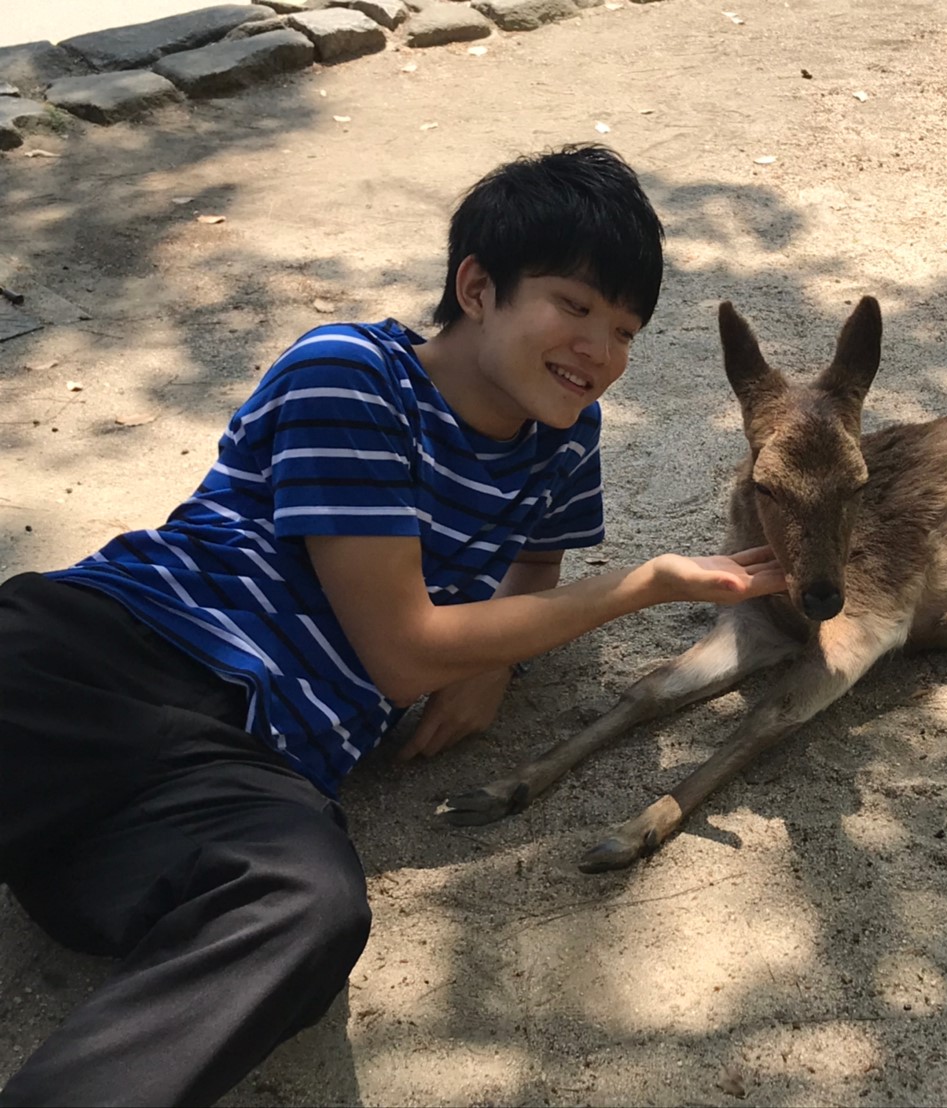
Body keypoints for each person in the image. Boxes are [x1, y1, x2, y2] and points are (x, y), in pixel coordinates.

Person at [0, 144, 785, 1107]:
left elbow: (537, 557)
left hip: (250, 764)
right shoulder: (354, 375)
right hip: (109, 652)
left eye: (625, 330)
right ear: (477, 285)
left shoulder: (563, 437)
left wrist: (494, 662)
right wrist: (641, 588)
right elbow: (403, 652)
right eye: (575, 307)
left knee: (308, 905)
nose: (601, 352)